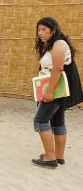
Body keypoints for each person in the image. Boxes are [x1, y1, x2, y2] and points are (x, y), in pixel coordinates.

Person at [32, 17, 83, 169]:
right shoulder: (53, 44)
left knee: (40, 120)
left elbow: (58, 69)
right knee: (58, 122)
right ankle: (59, 157)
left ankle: (49, 158)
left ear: (53, 30)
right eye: (39, 30)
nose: (40, 33)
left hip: (56, 89)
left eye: (44, 30)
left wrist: (49, 92)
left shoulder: (59, 44)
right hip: (58, 89)